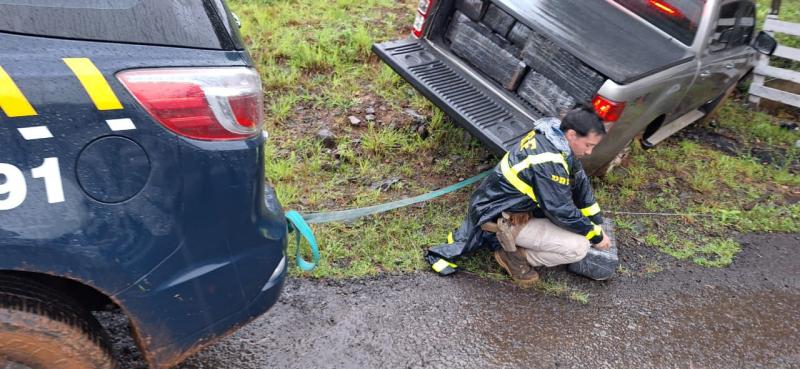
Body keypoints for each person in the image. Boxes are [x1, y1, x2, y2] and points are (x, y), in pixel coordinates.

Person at [426, 106, 611, 285]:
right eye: (588, 145)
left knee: (580, 225)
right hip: (501, 217)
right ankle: (512, 256)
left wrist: (596, 220)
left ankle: (520, 243)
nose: (589, 152)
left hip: (508, 207)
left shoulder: (553, 137)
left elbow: (579, 181)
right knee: (579, 247)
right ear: (571, 134)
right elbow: (561, 209)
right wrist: (596, 235)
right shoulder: (548, 161)